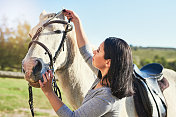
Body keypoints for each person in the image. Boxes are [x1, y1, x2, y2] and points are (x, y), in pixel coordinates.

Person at [39, 9, 134, 117]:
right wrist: (77, 22)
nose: (94, 52)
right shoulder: (103, 76)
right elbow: (85, 51)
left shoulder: (107, 97)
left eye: (98, 51)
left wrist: (49, 92)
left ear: (108, 62)